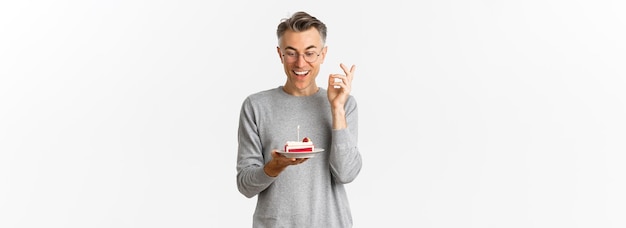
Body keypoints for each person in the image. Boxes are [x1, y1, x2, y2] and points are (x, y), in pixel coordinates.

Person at [236, 11, 362, 227]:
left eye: (310, 53)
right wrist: (275, 166)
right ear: (280, 54)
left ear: (323, 54)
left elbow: (346, 174)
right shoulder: (256, 106)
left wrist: (337, 110)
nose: (300, 63)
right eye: (291, 53)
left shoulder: (345, 104)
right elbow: (245, 185)